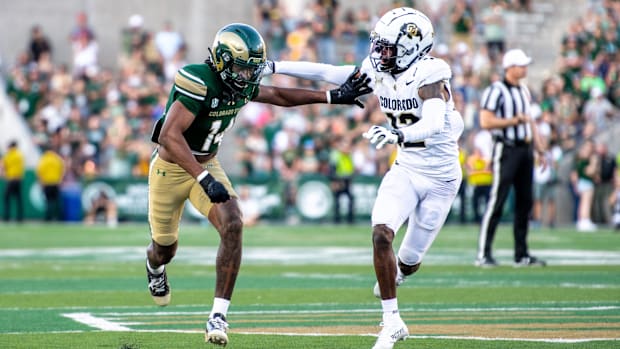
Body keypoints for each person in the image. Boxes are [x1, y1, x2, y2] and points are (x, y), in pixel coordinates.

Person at [144, 22, 371, 347]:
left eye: (251, 70)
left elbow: (278, 94)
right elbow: (169, 135)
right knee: (165, 249)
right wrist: (204, 178)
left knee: (234, 223)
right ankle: (153, 266)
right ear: (222, 61)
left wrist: (333, 96)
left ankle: (218, 314)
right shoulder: (197, 78)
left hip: (206, 162)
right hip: (171, 167)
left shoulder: (240, 82)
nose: (248, 77)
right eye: (241, 68)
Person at [266, 7, 464, 348]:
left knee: (411, 260)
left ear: (412, 46)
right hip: (406, 168)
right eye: (379, 45)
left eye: (388, 47)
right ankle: (392, 321)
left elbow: (432, 123)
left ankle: (400, 271)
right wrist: (275, 67)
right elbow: (329, 72)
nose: (379, 53)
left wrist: (398, 135)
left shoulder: (431, 74)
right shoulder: (380, 68)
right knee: (381, 234)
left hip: (441, 179)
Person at [475, 48, 547, 267]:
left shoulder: (524, 90)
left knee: (525, 203)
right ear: (510, 67)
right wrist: (514, 121)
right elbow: (486, 121)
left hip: (525, 151)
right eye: (521, 65)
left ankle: (521, 254)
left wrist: (539, 148)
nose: (525, 68)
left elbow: (530, 121)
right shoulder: (496, 90)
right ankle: (484, 253)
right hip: (506, 149)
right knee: (497, 200)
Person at [36, 146, 64, 221]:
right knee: (56, 201)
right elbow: (62, 170)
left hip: (47, 183)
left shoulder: (44, 159)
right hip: (55, 183)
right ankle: (58, 218)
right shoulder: (57, 159)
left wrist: (41, 182)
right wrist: (60, 180)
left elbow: (39, 172)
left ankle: (48, 217)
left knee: (48, 202)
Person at [2, 140, 25, 222]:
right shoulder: (19, 155)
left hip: (11, 179)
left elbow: (4, 167)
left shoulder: (8, 155)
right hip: (18, 179)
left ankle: (6, 217)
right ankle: (20, 218)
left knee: (7, 198)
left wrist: (3, 174)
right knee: (19, 199)